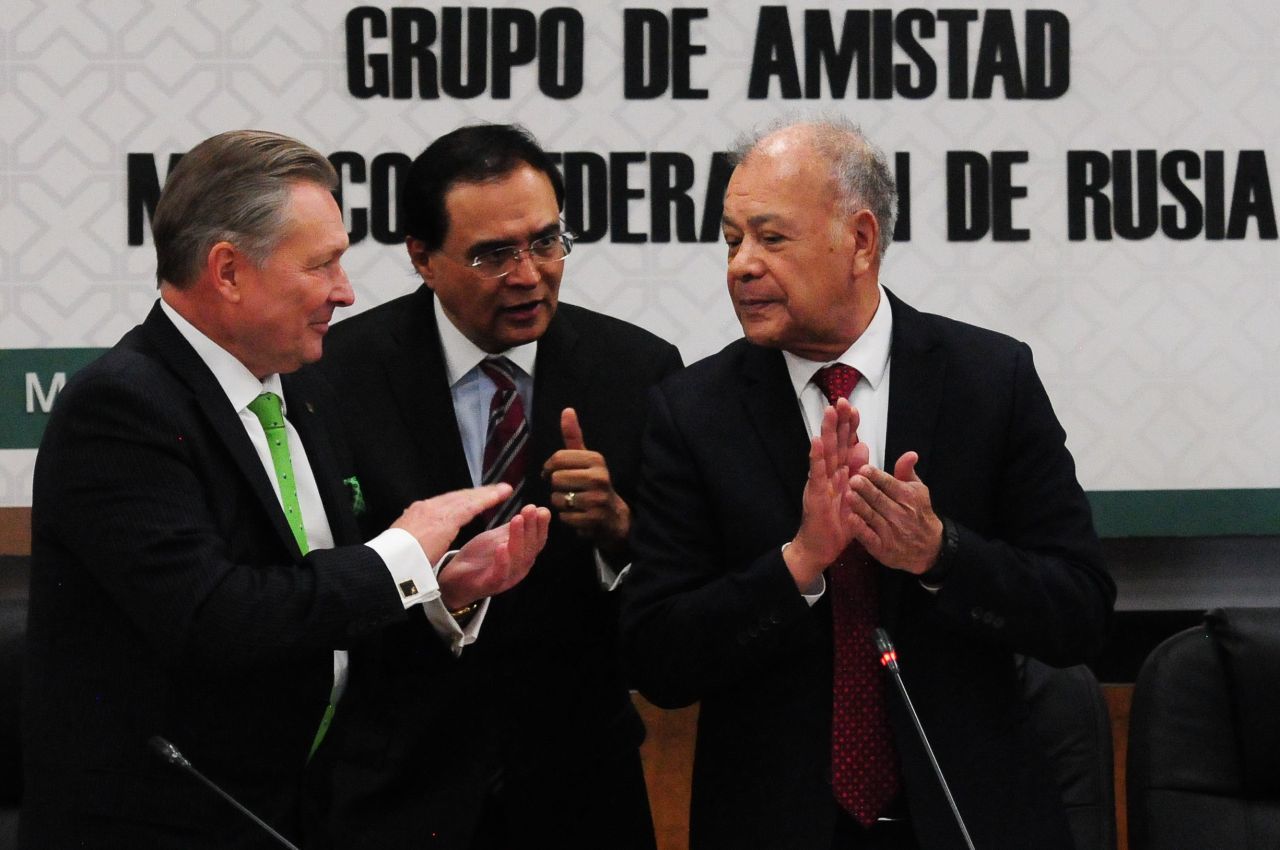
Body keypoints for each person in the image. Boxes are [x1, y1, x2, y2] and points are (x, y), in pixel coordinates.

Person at [20, 130, 549, 850]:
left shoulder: (303, 390)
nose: (347, 290)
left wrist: (438, 588)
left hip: (299, 814)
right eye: (323, 264)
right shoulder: (121, 408)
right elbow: (216, 616)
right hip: (166, 825)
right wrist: (398, 556)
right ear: (229, 271)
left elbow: (313, 609)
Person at [619, 119, 1116, 850]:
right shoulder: (692, 413)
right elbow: (658, 659)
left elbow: (1080, 611)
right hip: (776, 822)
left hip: (966, 813)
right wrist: (797, 564)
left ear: (859, 240)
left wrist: (942, 554)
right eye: (731, 241)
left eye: (770, 238)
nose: (741, 266)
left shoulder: (990, 381)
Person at [313, 123, 683, 849]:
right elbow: (317, 583)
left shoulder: (636, 369)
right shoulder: (335, 377)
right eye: (493, 254)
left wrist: (618, 528)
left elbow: (677, 585)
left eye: (546, 242)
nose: (529, 274)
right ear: (422, 256)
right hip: (399, 786)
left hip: (582, 786)